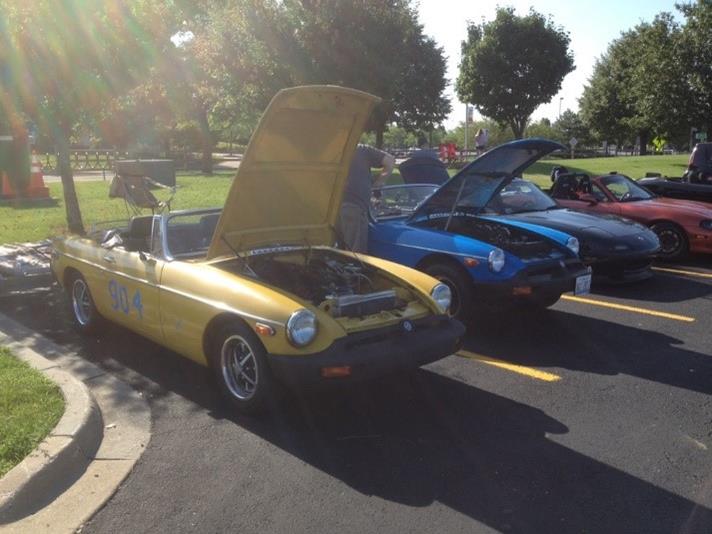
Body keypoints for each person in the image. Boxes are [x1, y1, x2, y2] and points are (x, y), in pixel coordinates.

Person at [337, 144, 395, 252]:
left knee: (335, 251)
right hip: (353, 204)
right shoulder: (361, 149)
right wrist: (379, 182)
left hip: (329, 207)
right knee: (355, 253)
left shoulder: (327, 150)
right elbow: (390, 161)